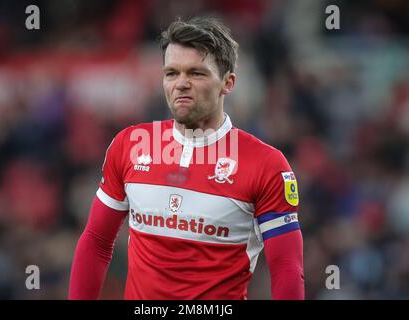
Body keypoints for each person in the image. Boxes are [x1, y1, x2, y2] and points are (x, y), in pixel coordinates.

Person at [69, 16, 304, 300]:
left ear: (227, 82)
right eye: (172, 73)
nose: (181, 84)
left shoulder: (266, 165)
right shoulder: (129, 145)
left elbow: (286, 268)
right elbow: (96, 241)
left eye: (196, 73)